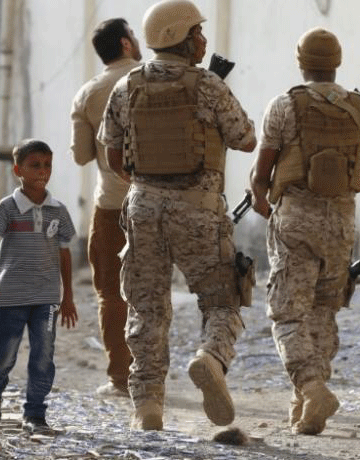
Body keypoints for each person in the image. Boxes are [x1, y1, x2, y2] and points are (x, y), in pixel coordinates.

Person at [98, 0, 257, 430]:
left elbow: (114, 155)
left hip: (143, 208)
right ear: (179, 38)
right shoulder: (208, 86)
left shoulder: (125, 87)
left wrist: (145, 184)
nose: (204, 40)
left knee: (147, 308)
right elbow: (246, 139)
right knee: (223, 299)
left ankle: (148, 405)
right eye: (197, 32)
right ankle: (211, 358)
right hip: (199, 210)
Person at [249, 27, 360, 435]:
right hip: (340, 224)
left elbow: (262, 173)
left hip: (295, 221)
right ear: (337, 63)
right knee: (323, 311)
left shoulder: (283, 107)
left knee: (286, 313)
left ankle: (312, 389)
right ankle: (306, 406)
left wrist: (262, 199)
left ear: (301, 63)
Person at [0, 138, 79, 434]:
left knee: (43, 353)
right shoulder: (7, 208)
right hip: (9, 295)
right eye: (35, 165)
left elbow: (65, 253)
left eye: (47, 165)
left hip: (46, 297)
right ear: (18, 170)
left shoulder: (58, 210)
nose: (42, 171)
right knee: (4, 352)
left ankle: (35, 411)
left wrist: (67, 296)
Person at [70, 18, 142, 398]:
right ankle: (152, 376)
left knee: (112, 293)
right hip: (158, 201)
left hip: (112, 204)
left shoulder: (89, 93)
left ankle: (120, 376)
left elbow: (82, 155)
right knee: (154, 291)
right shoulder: (156, 77)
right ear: (126, 44)